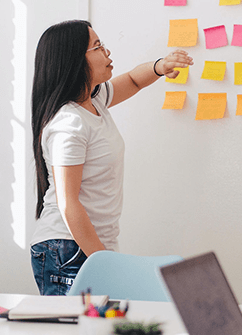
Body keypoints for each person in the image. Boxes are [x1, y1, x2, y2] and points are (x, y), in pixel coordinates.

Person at [30, 19, 193, 295]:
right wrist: (105, 262)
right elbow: (68, 203)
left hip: (87, 246)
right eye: (97, 47)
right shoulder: (69, 123)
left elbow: (132, 80)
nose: (107, 52)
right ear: (73, 61)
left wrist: (160, 67)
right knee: (77, 334)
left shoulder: (94, 103)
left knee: (100, 333)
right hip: (66, 247)